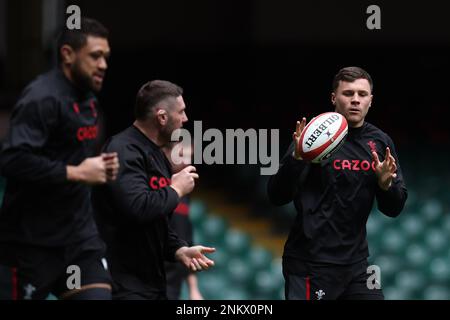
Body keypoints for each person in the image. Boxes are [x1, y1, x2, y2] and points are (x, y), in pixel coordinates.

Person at [0, 18, 119, 300]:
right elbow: (12, 159)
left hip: (79, 243)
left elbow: (78, 159)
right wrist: (76, 173)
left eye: (106, 57)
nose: (103, 64)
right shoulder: (41, 98)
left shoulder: (89, 101)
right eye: (95, 56)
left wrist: (102, 168)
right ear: (67, 54)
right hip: (30, 247)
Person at [267, 66, 407, 300]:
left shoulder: (380, 142)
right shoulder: (312, 137)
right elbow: (276, 196)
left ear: (370, 100)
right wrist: (297, 158)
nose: (355, 100)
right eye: (348, 93)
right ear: (334, 97)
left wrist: (386, 186)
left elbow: (394, 208)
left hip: (358, 265)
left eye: (362, 95)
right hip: (310, 263)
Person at [92, 80, 215, 300]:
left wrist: (178, 249)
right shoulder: (123, 150)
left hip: (153, 284)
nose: (185, 119)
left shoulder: (157, 155)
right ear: (162, 117)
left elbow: (155, 221)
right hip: (123, 284)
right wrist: (175, 189)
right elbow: (137, 208)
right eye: (182, 112)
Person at [162, 143, 203, 300]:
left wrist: (193, 289)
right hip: (150, 278)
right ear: (165, 152)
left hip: (173, 283)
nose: (186, 162)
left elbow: (187, 239)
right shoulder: (150, 187)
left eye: (189, 157)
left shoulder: (185, 193)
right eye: (181, 156)